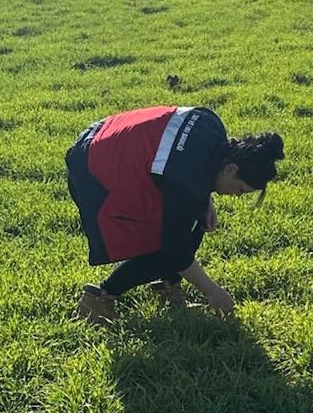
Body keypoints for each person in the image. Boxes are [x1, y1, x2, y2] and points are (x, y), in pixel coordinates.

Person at [65, 105, 283, 323]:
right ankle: (98, 297)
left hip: (103, 134)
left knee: (194, 223)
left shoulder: (212, 125)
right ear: (230, 170)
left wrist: (205, 198)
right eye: (241, 189)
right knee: (168, 246)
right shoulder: (186, 186)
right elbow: (174, 248)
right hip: (92, 167)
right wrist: (211, 290)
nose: (236, 195)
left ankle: (167, 286)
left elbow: (187, 163)